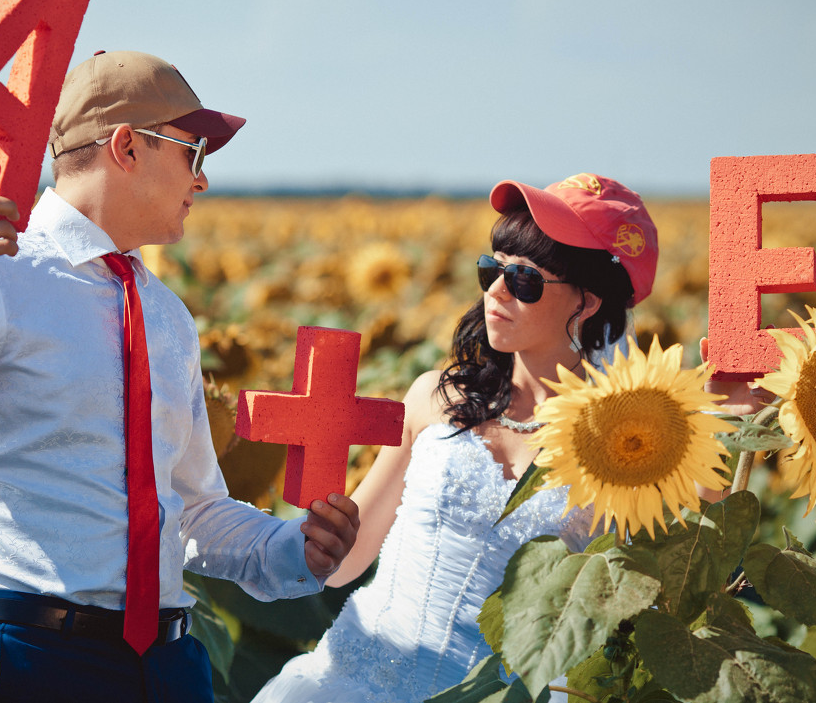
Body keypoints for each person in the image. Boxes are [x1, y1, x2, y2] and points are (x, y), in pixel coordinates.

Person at [0, 50, 359, 703]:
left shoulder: (165, 314)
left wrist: (295, 547)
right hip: (26, 658)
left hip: (168, 664)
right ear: (127, 146)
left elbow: (192, 510)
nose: (203, 180)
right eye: (194, 151)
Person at [253, 173, 657, 703]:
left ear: (586, 303)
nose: (495, 291)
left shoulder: (628, 447)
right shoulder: (432, 398)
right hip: (351, 682)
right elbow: (345, 564)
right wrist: (319, 539)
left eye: (525, 280)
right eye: (491, 269)